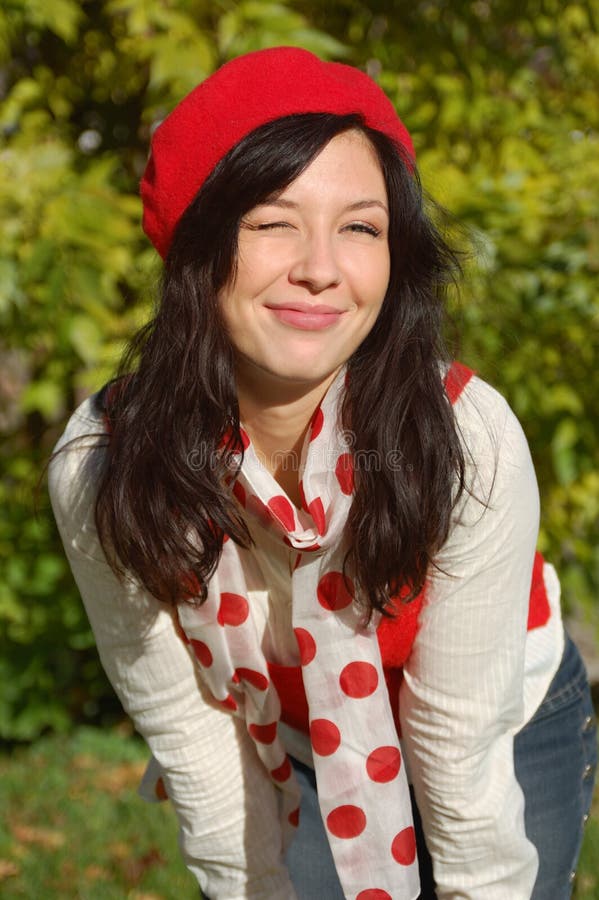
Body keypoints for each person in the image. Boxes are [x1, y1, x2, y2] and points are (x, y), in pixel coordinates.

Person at [49, 46, 596, 900]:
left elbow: (460, 755)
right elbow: (187, 730)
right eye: (273, 222)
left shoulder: (467, 437)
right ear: (197, 246)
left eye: (360, 227)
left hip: (504, 720)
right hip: (291, 739)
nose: (320, 266)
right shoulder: (105, 460)